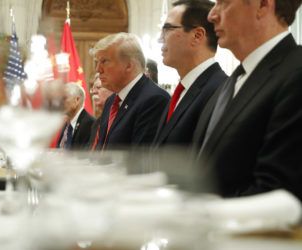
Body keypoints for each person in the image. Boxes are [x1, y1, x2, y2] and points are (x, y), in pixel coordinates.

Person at [193, 0, 302, 200]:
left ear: (262, 5)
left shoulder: (296, 73)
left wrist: (197, 214)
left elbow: (278, 192)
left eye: (223, 3)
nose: (211, 15)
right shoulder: (234, 79)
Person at [152, 0, 227, 148]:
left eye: (167, 29)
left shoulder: (220, 90)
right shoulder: (183, 90)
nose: (160, 39)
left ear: (197, 36)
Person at [91, 32, 170, 150]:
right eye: (97, 62)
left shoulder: (154, 99)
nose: (98, 69)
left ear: (129, 65)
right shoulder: (111, 101)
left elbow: (139, 159)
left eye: (104, 61)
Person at [57, 83, 95, 150]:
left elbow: (83, 155)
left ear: (77, 100)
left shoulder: (90, 124)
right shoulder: (67, 124)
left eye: (64, 98)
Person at [89, 73, 113, 149]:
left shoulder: (118, 118)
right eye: (92, 89)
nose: (93, 92)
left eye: (98, 87)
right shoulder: (96, 123)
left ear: (112, 90)